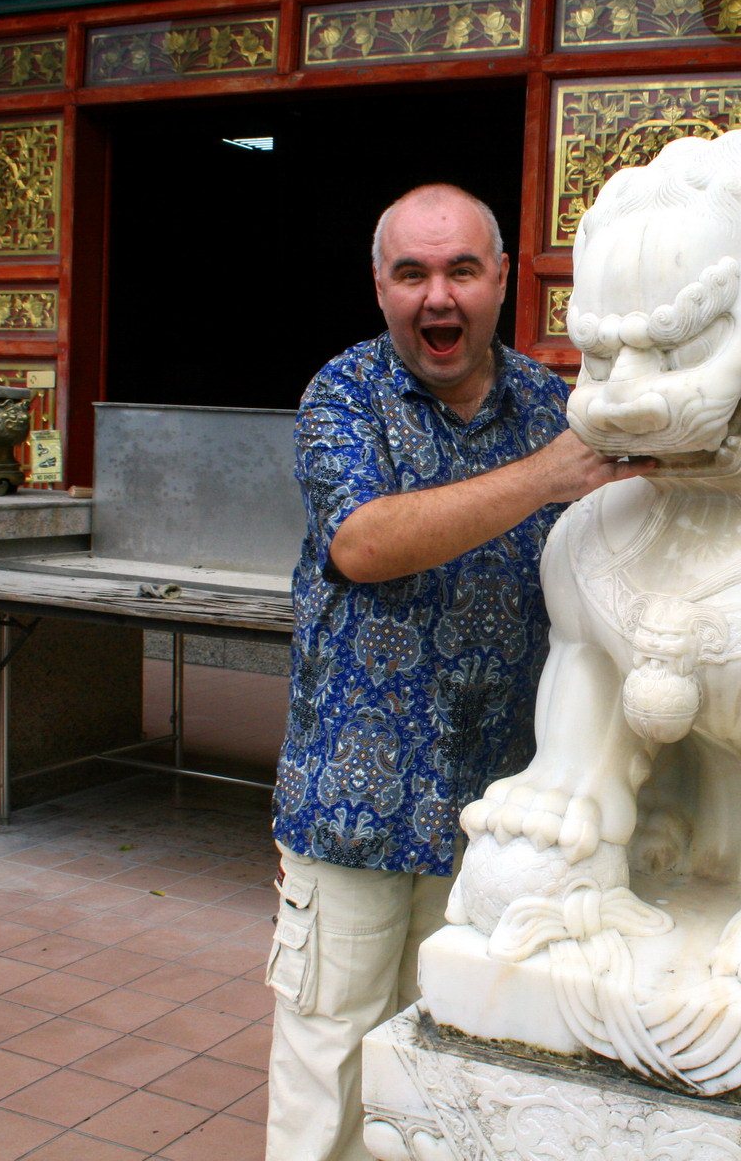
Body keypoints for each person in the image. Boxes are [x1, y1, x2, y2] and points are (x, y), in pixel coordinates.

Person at [265, 183, 651, 1161]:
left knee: (453, 1062)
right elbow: (361, 543)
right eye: (413, 274)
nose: (438, 296)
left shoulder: (554, 406)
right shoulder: (345, 394)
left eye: (462, 271)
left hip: (500, 812)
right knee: (332, 1056)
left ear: (502, 279)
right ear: (381, 287)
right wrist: (548, 477)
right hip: (355, 803)